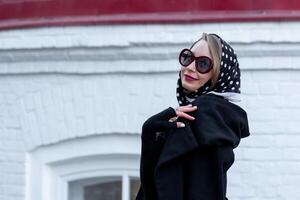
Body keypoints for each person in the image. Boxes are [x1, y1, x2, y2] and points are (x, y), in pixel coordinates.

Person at [135, 32, 250, 200]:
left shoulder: (205, 116)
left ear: (218, 75)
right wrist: (150, 133)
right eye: (188, 57)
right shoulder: (204, 115)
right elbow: (158, 186)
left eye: (203, 64)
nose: (190, 67)